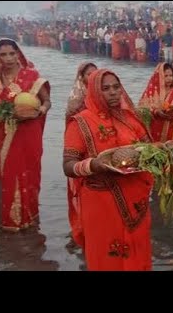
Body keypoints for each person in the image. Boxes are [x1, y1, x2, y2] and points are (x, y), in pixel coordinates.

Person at [63, 69, 154, 271]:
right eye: (105, 88)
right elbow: (68, 165)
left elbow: (150, 150)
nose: (113, 92)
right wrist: (94, 165)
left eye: (116, 87)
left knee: (137, 252)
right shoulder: (80, 123)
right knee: (107, 257)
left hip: (135, 200)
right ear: (95, 92)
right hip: (101, 204)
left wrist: (166, 150)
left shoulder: (131, 119)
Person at [0, 39, 51, 231]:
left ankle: (30, 216)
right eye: (4, 54)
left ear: (19, 53)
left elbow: (46, 101)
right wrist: (5, 114)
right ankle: (12, 221)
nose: (9, 58)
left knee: (30, 173)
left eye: (12, 53)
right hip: (4, 133)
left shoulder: (31, 75)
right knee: (10, 174)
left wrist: (38, 111)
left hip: (29, 131)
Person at [64, 62, 97, 248]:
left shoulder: (106, 95)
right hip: (83, 150)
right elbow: (71, 127)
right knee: (85, 187)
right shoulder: (76, 102)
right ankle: (82, 226)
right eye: (88, 74)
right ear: (81, 78)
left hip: (102, 146)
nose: (92, 77)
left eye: (95, 73)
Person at [138, 62, 173, 142]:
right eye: (166, 76)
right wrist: (156, 111)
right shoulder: (151, 91)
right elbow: (142, 110)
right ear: (159, 77)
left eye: (171, 75)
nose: (169, 78)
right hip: (154, 133)